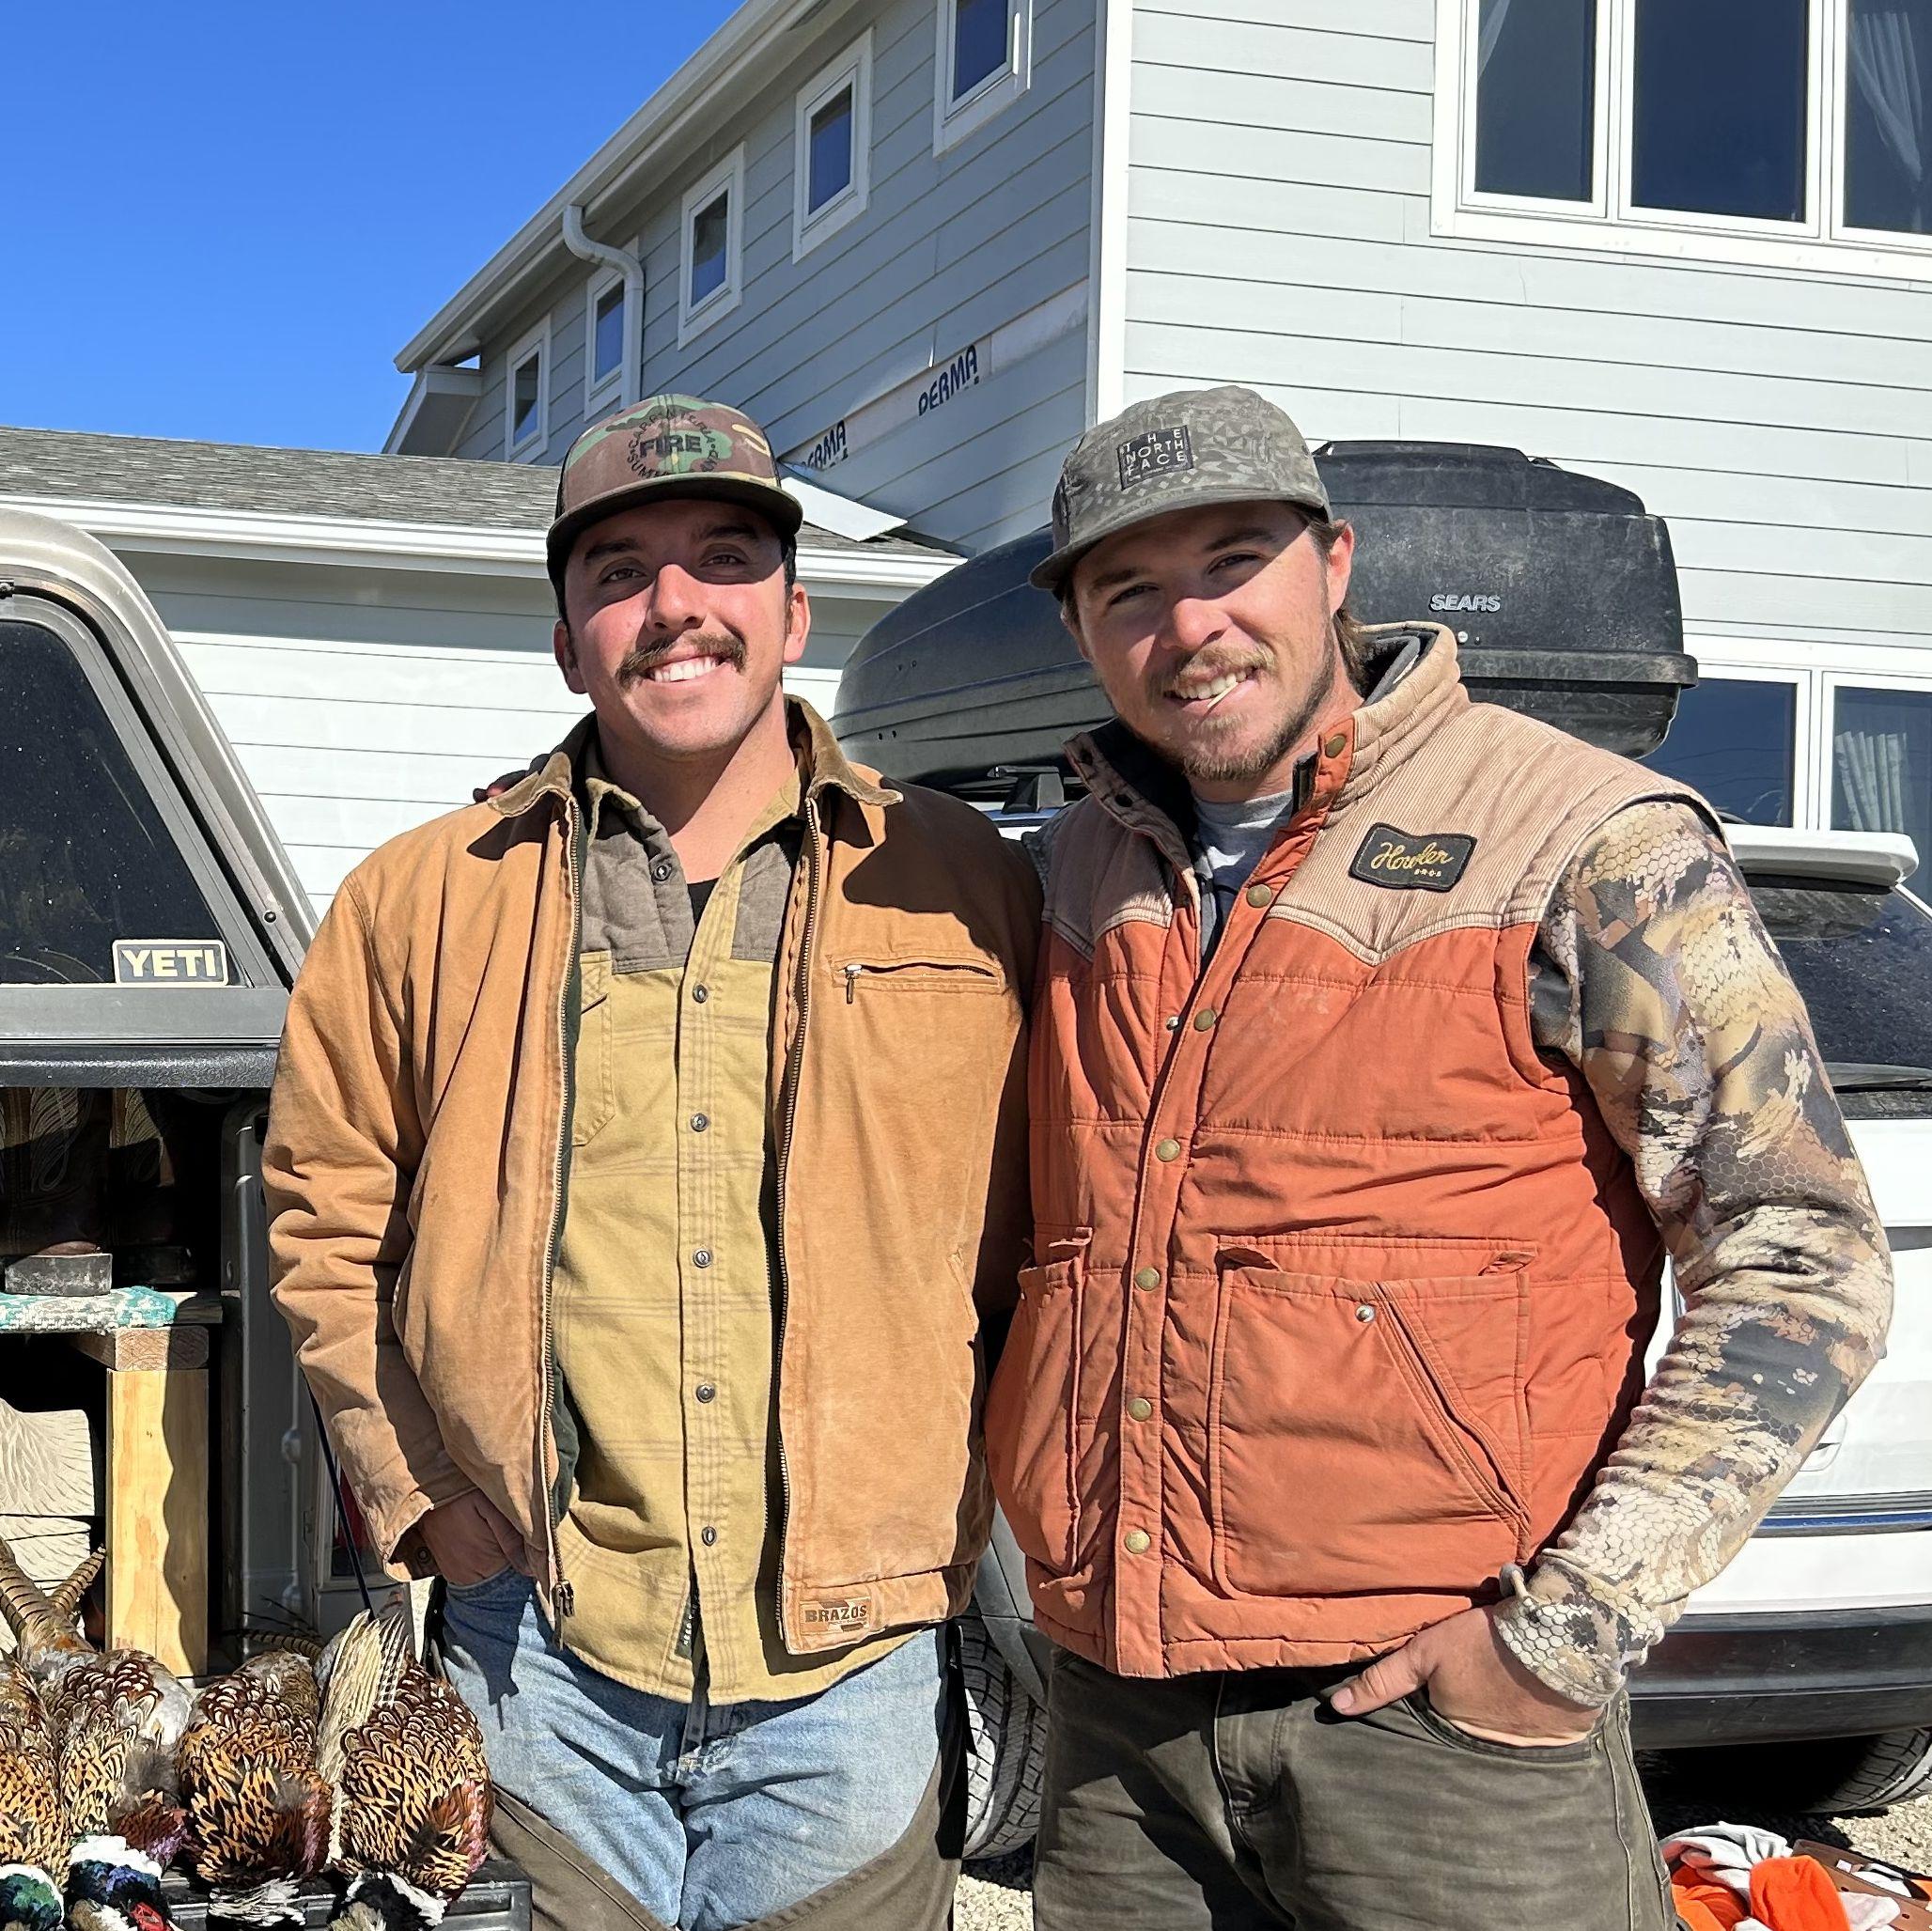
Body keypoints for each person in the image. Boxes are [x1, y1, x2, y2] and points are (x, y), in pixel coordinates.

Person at [990, 383, 1893, 1930]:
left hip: (1441, 1735)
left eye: (1233, 563)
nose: (1190, 625)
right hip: (1120, 1728)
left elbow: (1801, 1256)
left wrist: (1564, 1637)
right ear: (1079, 627)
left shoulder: (1582, 838)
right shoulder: (1075, 868)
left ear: (1335, 563)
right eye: (1128, 589)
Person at [264, 393, 1036, 1931]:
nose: (674, 603)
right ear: (568, 641)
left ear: (795, 611)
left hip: (855, 1664)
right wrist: (422, 1491)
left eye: (724, 557)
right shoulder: (420, 901)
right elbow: (324, 1221)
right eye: (620, 573)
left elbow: (1052, 1238)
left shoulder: (962, 885)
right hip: (538, 1653)